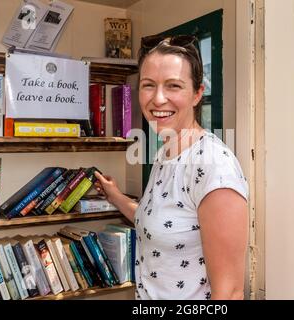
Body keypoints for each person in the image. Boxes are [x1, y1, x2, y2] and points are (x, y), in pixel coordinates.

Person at [94, 34, 249, 300]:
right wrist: (115, 196)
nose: (158, 98)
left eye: (174, 86)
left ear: (198, 93)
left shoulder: (213, 167)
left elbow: (230, 292)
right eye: (148, 85)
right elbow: (163, 222)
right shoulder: (166, 153)